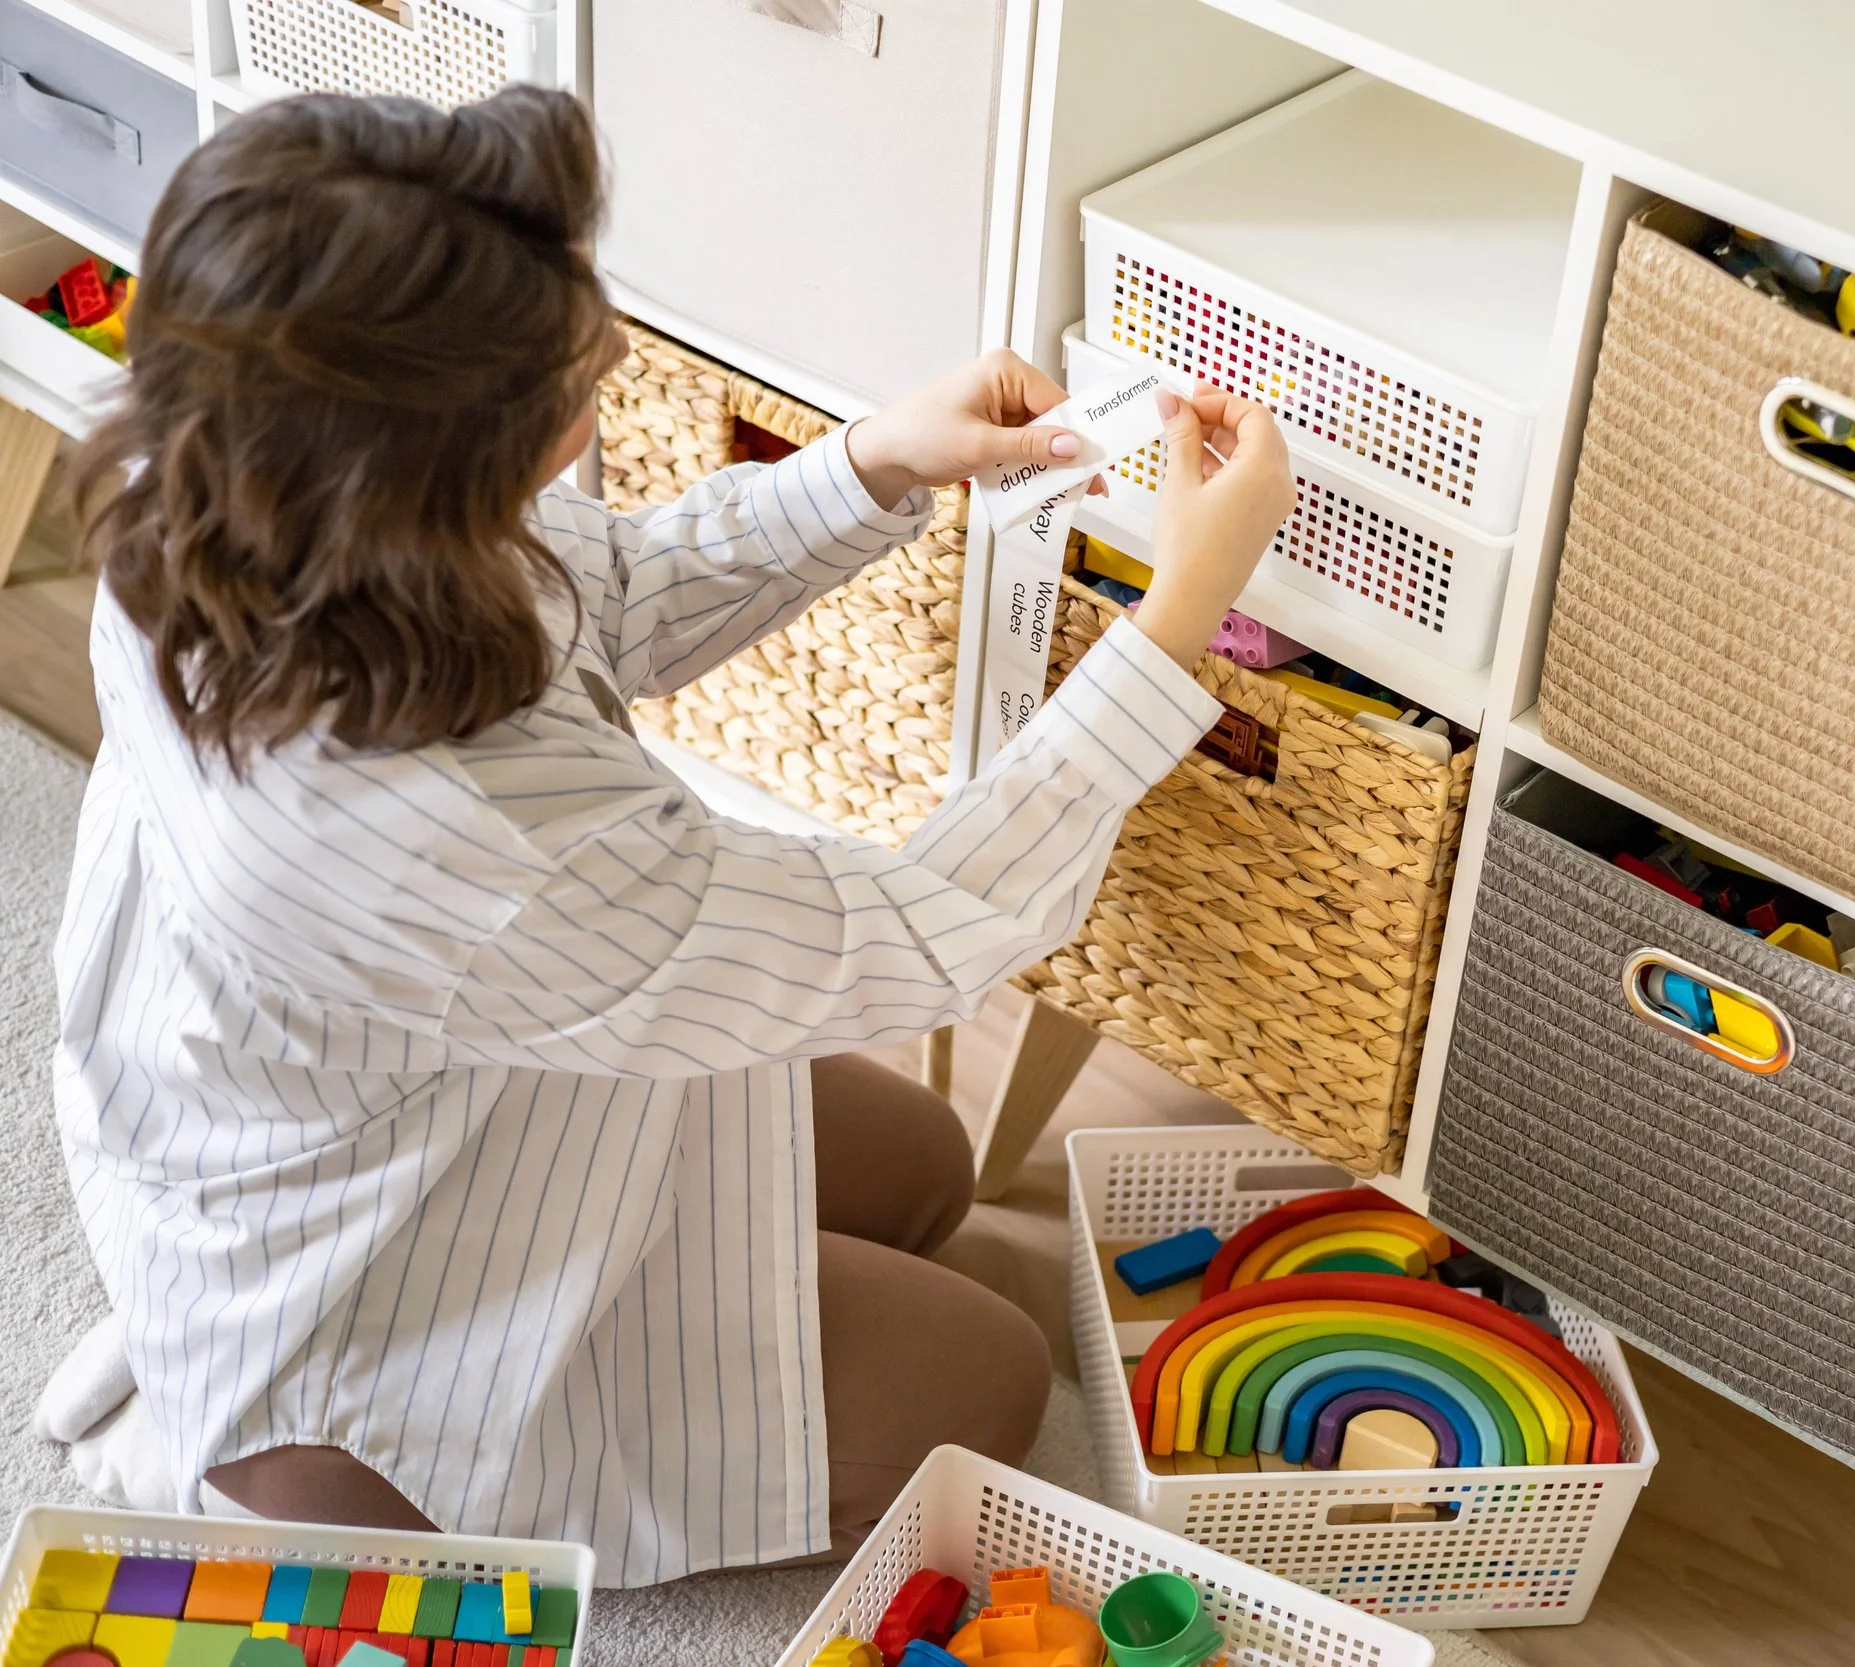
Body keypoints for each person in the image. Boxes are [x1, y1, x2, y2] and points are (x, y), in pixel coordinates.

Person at [50, 83, 1293, 1583]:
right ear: (425, 476)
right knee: (992, 1375)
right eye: (572, 352)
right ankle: (294, 1477)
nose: (619, 346)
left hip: (395, 1099)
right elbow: (908, 929)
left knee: (920, 1165)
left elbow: (612, 593)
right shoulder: (468, 840)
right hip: (375, 1341)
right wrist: (1170, 631)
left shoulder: (227, 496)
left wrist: (878, 460)